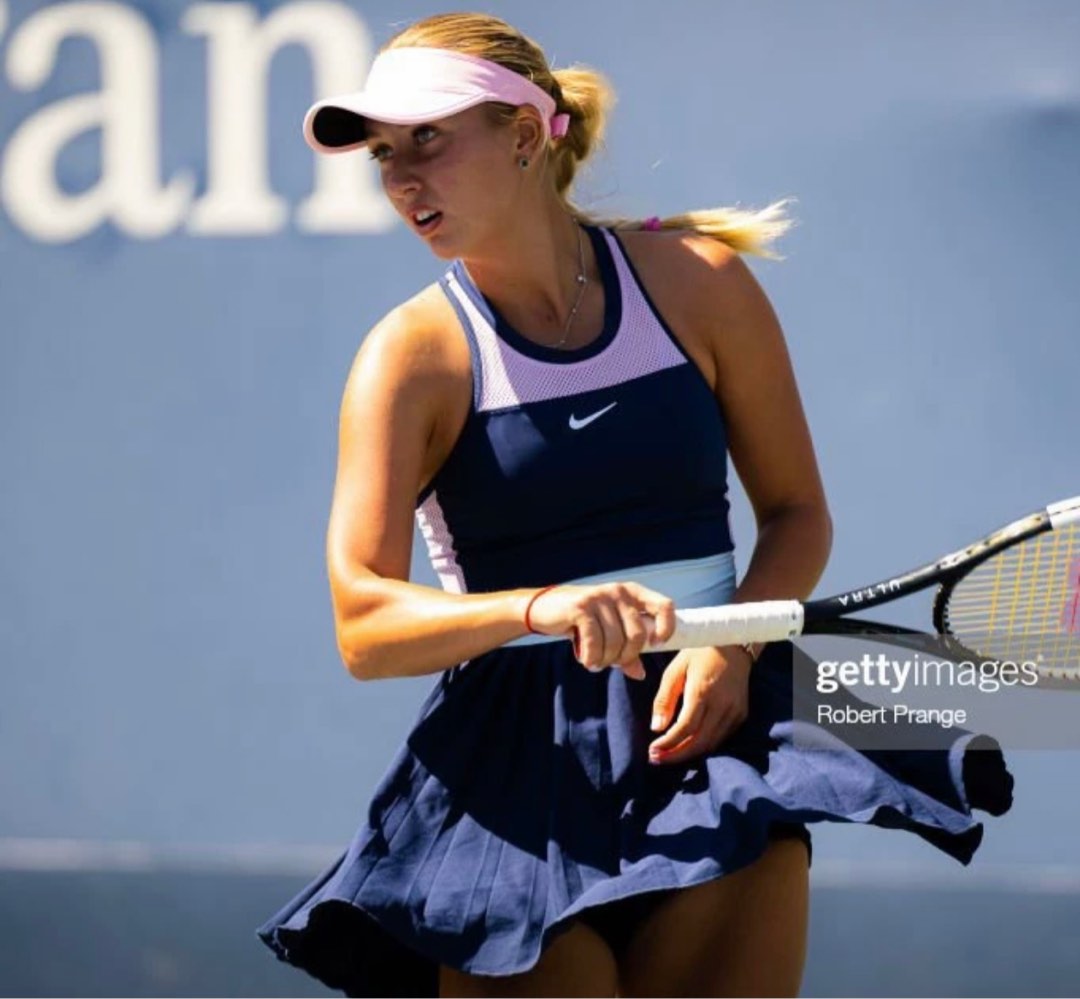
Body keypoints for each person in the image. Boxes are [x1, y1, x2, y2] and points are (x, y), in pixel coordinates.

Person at [257, 12, 1012, 997]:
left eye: (428, 139)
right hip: (512, 784)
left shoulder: (702, 283)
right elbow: (363, 624)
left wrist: (734, 645)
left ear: (523, 136)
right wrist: (541, 607)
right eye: (384, 154)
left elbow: (797, 514)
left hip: (718, 737)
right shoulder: (409, 358)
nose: (401, 178)